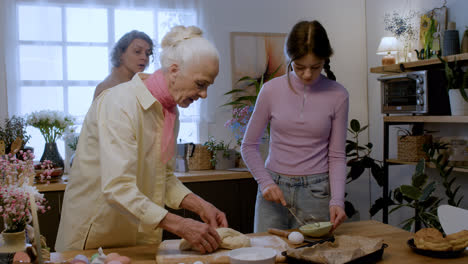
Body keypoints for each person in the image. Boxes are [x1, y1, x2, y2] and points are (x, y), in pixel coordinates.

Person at [56, 25, 226, 253]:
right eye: (200, 84)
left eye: (208, 86)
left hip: (135, 234)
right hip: (94, 234)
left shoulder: (169, 114)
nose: (204, 94)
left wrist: (200, 205)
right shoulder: (119, 103)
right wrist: (181, 224)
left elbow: (162, 177)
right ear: (174, 70)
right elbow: (118, 187)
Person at [241, 20, 348, 233]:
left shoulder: (338, 95)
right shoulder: (270, 90)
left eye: (315, 67)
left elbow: (337, 156)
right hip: (273, 189)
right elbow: (248, 146)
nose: (307, 74)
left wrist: (337, 200)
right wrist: (265, 183)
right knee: (266, 255)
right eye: (299, 67)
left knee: (312, 255)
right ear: (290, 59)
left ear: (325, 60)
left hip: (316, 192)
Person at [93, 30, 154, 99]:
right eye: (137, 51)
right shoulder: (106, 90)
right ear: (121, 53)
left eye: (147, 54)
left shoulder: (143, 83)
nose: (144, 57)